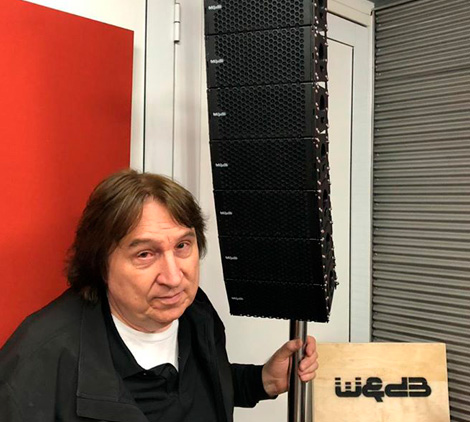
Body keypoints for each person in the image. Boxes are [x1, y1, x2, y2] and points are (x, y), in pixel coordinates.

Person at [0, 169, 318, 422]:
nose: (174, 277)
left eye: (182, 246)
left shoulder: (196, 313)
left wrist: (262, 381)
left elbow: (191, 392)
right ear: (101, 264)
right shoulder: (36, 362)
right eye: (145, 254)